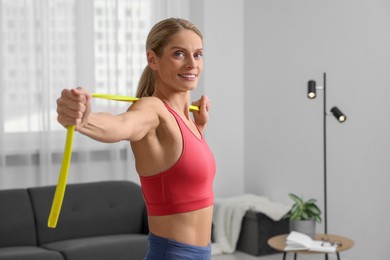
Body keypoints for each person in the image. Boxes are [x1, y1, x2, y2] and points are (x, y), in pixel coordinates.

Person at [56, 18, 216, 260]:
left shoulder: (187, 121)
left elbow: (181, 176)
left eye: (198, 54)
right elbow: (121, 125)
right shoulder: (152, 109)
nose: (192, 64)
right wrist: (82, 119)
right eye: (179, 54)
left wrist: (199, 128)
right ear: (153, 59)